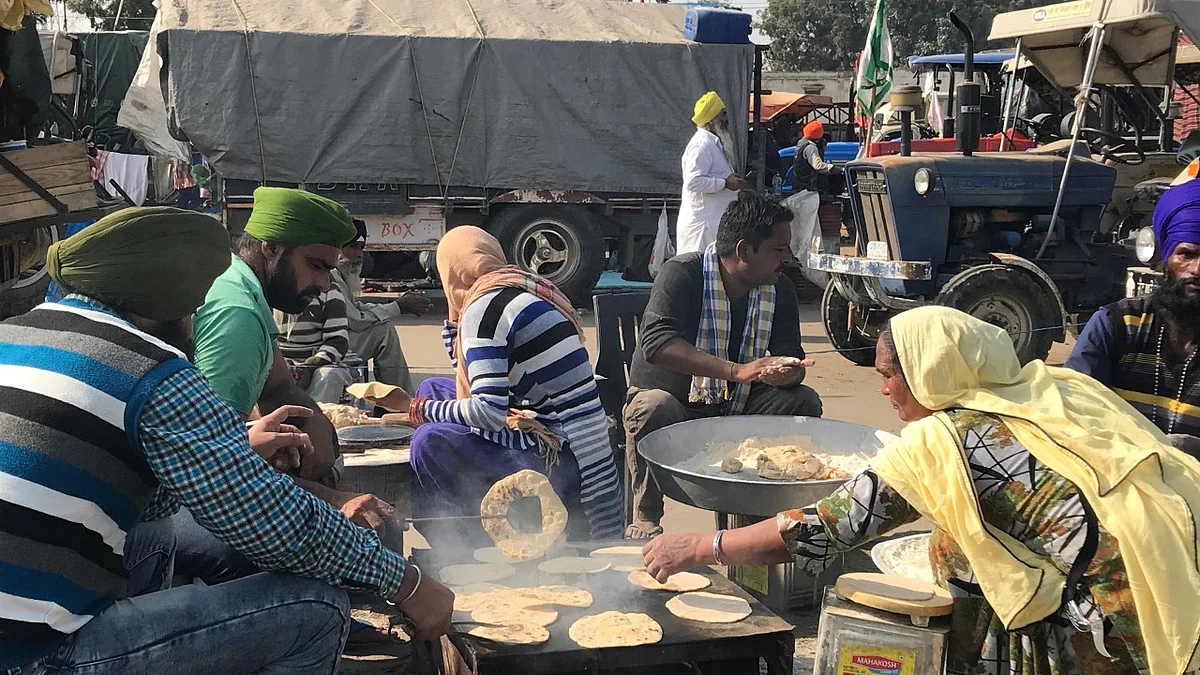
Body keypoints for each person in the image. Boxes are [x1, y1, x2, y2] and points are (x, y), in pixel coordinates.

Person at [0, 207, 453, 675]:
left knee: (154, 534)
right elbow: (273, 522)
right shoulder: (148, 368)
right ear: (168, 303)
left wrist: (227, 448)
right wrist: (408, 584)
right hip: (32, 657)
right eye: (195, 307)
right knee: (317, 609)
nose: (199, 320)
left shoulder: (15, 334)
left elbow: (147, 494)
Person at [644, 306, 1200, 675]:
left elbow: (824, 527)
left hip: (1109, 607)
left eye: (891, 375)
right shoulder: (1049, 387)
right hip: (1174, 558)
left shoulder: (943, 440)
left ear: (933, 370)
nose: (883, 390)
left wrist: (700, 548)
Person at [183, 187, 400, 594]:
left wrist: (316, 425)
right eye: (315, 265)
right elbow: (212, 467)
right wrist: (329, 500)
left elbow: (279, 382)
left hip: (205, 477)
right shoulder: (237, 314)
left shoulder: (241, 285)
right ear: (271, 248)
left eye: (328, 270)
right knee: (364, 538)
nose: (322, 283)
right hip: (176, 509)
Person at [404, 226, 623, 548]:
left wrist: (415, 410)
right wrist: (455, 316)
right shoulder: (514, 288)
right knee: (433, 386)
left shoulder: (485, 310)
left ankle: (470, 545)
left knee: (428, 440)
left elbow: (489, 412)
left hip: (565, 456)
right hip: (570, 431)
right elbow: (471, 376)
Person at [625, 191, 824, 538]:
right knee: (653, 405)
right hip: (679, 412)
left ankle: (758, 519)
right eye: (778, 250)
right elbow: (656, 343)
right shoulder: (682, 274)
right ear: (745, 251)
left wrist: (787, 373)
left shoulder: (780, 290)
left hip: (740, 409)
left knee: (802, 401)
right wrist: (737, 371)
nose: (787, 258)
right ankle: (645, 518)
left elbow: (789, 356)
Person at [1066, 178, 1200, 456]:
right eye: (1187, 254)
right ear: (1166, 260)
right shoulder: (1118, 326)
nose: (1197, 269)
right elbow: (1071, 415)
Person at [332, 218, 432, 393]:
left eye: (362, 248)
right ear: (337, 249)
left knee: (381, 326)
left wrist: (393, 305)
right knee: (383, 332)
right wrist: (397, 307)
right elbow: (355, 321)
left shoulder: (339, 275)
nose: (360, 254)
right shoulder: (332, 276)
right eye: (353, 247)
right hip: (327, 347)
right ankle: (396, 400)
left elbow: (355, 309)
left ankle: (392, 397)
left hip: (332, 340)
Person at [677, 91, 749, 255]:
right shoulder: (701, 145)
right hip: (702, 229)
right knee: (697, 274)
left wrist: (733, 182)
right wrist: (725, 183)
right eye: (722, 114)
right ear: (711, 121)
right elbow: (693, 182)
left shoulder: (714, 144)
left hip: (713, 227)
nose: (727, 119)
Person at [276, 268, 358, 404]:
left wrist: (309, 367)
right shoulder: (270, 292)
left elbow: (337, 341)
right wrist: (281, 365)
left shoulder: (330, 292)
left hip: (319, 364)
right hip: (281, 365)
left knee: (330, 375)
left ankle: (316, 420)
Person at [791, 121, 841, 195]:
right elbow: (818, 166)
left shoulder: (801, 143)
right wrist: (836, 169)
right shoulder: (811, 147)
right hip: (808, 188)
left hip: (800, 186)